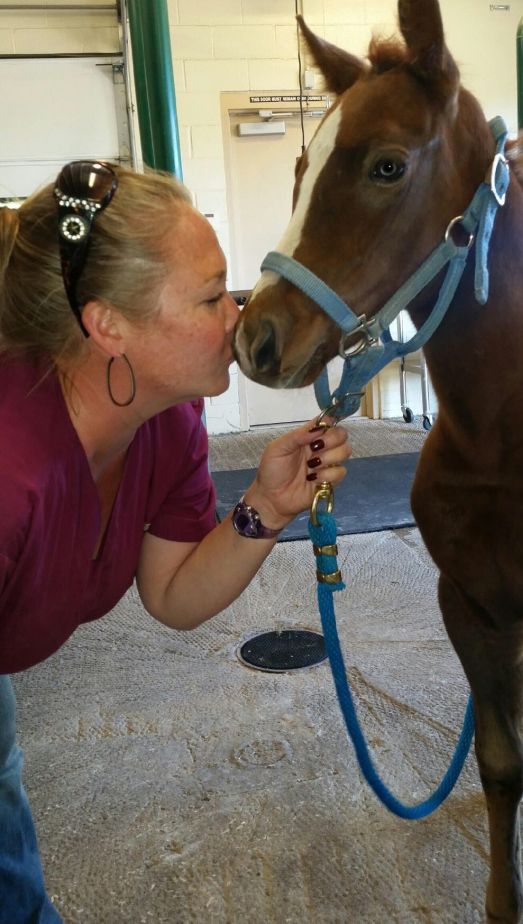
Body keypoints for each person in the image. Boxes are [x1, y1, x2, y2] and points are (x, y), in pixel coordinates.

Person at [0, 161, 351, 924]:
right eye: (210, 295)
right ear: (108, 326)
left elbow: (174, 593)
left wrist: (267, 505)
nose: (238, 313)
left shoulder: (168, 422)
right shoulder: (10, 468)